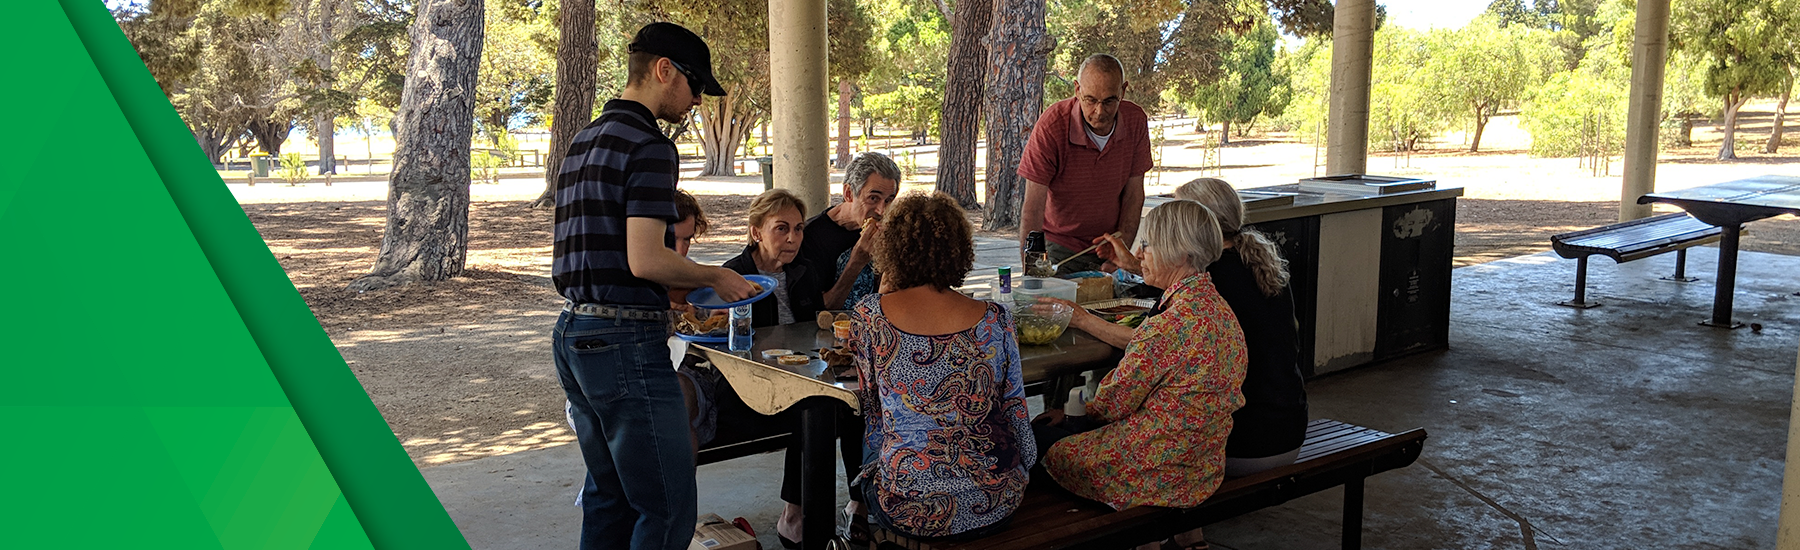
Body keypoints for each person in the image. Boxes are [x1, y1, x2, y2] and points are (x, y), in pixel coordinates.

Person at [550, 22, 753, 550]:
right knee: (666, 506)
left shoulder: (583, 139)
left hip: (573, 332)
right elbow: (645, 259)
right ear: (665, 71)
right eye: (693, 87)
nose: (693, 103)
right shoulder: (650, 146)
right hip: (624, 341)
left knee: (608, 495)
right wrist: (716, 276)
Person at [1033, 200, 1247, 522]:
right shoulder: (1220, 310)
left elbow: (1111, 405)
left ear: (1181, 252)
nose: (1140, 253)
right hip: (1202, 466)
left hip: (1152, 471)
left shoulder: (1169, 324)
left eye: (1148, 245)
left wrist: (1069, 413)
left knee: (1033, 437)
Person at [850, 192, 1037, 540]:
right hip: (997, 500)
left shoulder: (870, 316)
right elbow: (1016, 414)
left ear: (892, 251)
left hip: (908, 506)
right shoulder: (996, 320)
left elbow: (875, 416)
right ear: (960, 251)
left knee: (869, 469)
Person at [1017, 53, 1153, 276]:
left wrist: (1121, 251)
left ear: (1123, 91)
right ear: (1077, 90)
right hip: (1059, 247)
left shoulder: (1136, 121)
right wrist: (1031, 270)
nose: (1099, 112)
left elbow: (1134, 195)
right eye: (1090, 100)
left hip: (1110, 245)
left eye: (1109, 101)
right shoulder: (1052, 125)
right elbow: (1033, 207)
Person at [801, 152, 902, 309]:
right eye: (873, 198)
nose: (882, 211)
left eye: (889, 200)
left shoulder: (889, 230)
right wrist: (856, 262)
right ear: (848, 193)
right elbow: (819, 311)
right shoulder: (810, 237)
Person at [722, 189, 826, 326]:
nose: (792, 239)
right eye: (781, 228)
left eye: (798, 229)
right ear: (756, 233)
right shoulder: (734, 274)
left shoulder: (805, 271)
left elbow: (818, 326)